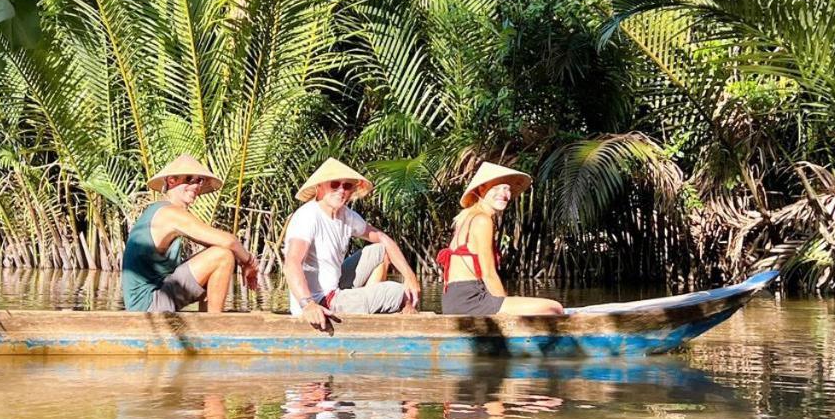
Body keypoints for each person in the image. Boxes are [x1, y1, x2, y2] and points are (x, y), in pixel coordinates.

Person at [283, 158, 421, 331]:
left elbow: (384, 239)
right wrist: (308, 304)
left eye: (347, 186)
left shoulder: (347, 216)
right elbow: (291, 264)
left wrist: (410, 276)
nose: (341, 190)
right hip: (320, 300)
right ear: (319, 187)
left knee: (380, 250)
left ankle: (367, 313)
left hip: (335, 286)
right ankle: (373, 313)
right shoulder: (308, 217)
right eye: (334, 184)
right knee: (400, 293)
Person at [121, 154, 259, 312]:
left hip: (160, 293)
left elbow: (216, 242)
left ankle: (209, 319)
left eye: (199, 180)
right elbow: (229, 241)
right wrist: (249, 262)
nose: (195, 185)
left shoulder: (166, 212)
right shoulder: (169, 213)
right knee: (222, 256)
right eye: (189, 179)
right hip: (148, 305)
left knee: (217, 253)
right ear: (172, 180)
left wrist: (241, 261)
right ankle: (215, 326)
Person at [439, 161, 564, 316]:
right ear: (481, 189)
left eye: (507, 188)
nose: (503, 194)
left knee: (523, 302)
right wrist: (504, 313)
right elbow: (488, 274)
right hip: (470, 299)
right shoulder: (482, 220)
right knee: (554, 308)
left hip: (454, 300)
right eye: (496, 188)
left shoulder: (469, 217)